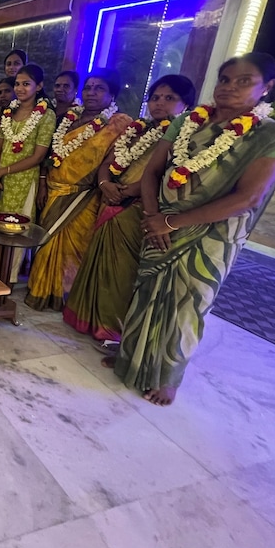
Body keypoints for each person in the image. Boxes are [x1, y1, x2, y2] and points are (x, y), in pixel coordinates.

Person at [110, 54, 275, 406]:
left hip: (211, 236)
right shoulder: (186, 122)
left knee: (187, 304)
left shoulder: (271, 136)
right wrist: (154, 215)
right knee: (146, 292)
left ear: (267, 87)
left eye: (244, 81)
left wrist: (171, 222)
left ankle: (167, 379)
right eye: (225, 79)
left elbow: (248, 198)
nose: (229, 87)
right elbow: (153, 173)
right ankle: (130, 358)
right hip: (158, 222)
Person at [64, 75, 194, 345]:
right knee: (98, 263)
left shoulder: (185, 138)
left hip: (138, 209)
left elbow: (163, 175)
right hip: (111, 198)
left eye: (169, 98)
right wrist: (105, 184)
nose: (159, 103)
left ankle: (112, 329)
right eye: (155, 98)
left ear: (186, 104)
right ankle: (87, 319)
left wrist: (127, 191)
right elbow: (108, 162)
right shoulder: (137, 129)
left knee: (121, 272)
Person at [25, 68, 132, 311]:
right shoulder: (70, 118)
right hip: (53, 191)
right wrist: (43, 181)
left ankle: (62, 296)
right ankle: (39, 291)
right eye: (88, 88)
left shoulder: (118, 124)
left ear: (112, 95)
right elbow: (51, 154)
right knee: (46, 245)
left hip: (83, 197)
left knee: (72, 250)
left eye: (99, 88)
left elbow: (113, 162)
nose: (91, 93)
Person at [0, 65, 56, 281]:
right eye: (17, 84)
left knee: (16, 229)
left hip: (24, 182)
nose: (20, 88)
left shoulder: (46, 116)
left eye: (26, 84)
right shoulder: (8, 112)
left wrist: (2, 171)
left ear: (39, 86)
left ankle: (8, 281)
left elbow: (38, 157)